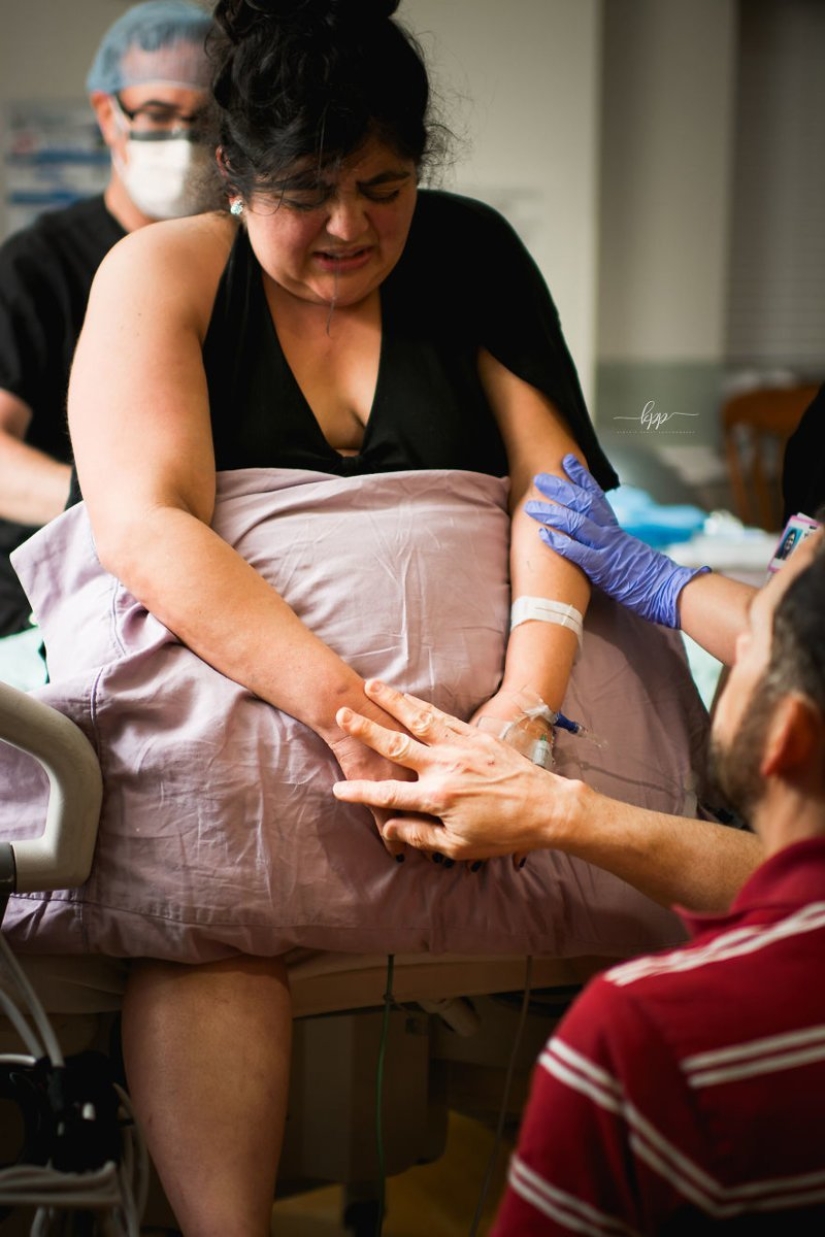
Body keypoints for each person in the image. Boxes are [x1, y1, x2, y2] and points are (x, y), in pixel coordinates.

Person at [1, 2, 690, 1233]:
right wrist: (352, 717)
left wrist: (525, 712)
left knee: (638, 838)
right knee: (205, 898)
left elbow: (559, 498)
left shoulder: (471, 253)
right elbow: (148, 527)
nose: (348, 229)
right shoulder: (158, 274)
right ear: (233, 172)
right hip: (257, 699)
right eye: (307, 190)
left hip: (501, 705)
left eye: (385, 186)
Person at [333, 527, 825, 1231]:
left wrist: (554, 800)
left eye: (749, 643)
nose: (729, 650)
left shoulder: (646, 1039)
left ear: (787, 736)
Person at [0, 0, 216, 687]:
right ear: (108, 115)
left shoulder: (237, 268)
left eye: (201, 118)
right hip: (47, 609)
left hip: (196, 596)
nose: (180, 140)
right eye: (157, 116)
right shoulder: (39, 265)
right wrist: (111, 505)